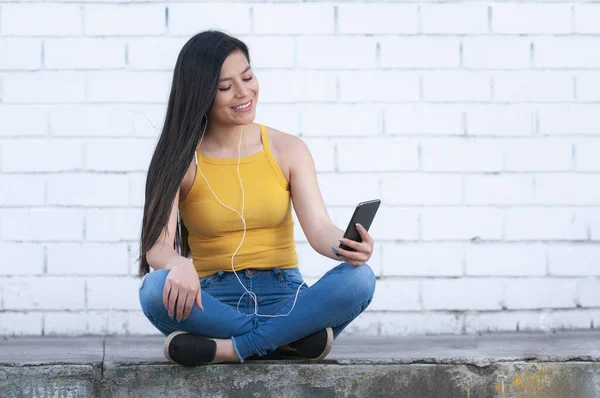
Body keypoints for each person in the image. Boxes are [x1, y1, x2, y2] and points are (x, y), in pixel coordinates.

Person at [137, 30, 376, 366]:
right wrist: (178, 264)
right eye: (225, 87)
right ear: (200, 94)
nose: (243, 91)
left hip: (287, 295)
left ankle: (230, 349)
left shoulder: (288, 149)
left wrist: (348, 245)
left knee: (359, 279)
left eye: (247, 77)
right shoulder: (179, 160)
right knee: (152, 290)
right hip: (213, 302)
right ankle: (288, 340)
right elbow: (157, 247)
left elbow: (320, 229)